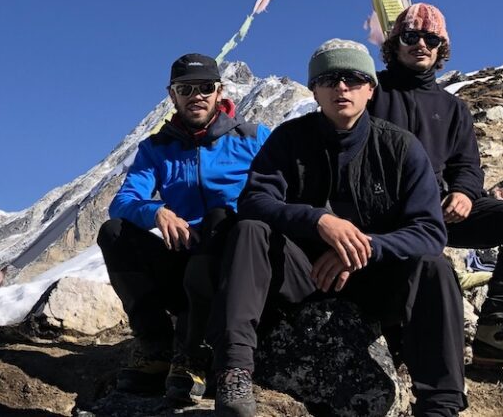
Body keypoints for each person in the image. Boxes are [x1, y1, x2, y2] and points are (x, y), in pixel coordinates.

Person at [209, 39, 466, 417]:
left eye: (352, 78)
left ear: (370, 89)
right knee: (249, 230)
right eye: (329, 79)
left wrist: (365, 249)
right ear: (314, 89)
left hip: (375, 280)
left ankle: (440, 405)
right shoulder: (289, 139)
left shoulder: (400, 147)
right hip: (304, 275)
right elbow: (255, 200)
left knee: (434, 266)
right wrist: (318, 221)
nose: (341, 87)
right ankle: (234, 371)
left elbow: (429, 230)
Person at [370, 3, 503, 369]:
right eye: (411, 36)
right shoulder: (371, 92)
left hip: (441, 209)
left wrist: (463, 193)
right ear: (395, 43)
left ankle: (498, 329)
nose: (421, 44)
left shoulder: (453, 107)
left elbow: (467, 166)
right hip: (386, 213)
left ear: (441, 48)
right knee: (423, 266)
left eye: (432, 39)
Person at [98, 53, 269, 405]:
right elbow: (124, 201)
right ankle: (156, 348)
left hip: (233, 267)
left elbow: (284, 190)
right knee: (114, 233)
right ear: (172, 95)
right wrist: (156, 211)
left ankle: (194, 356)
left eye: (206, 87)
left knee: (221, 218)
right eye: (185, 89)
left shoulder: (253, 138)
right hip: (183, 261)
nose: (197, 95)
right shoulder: (157, 148)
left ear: (220, 91)